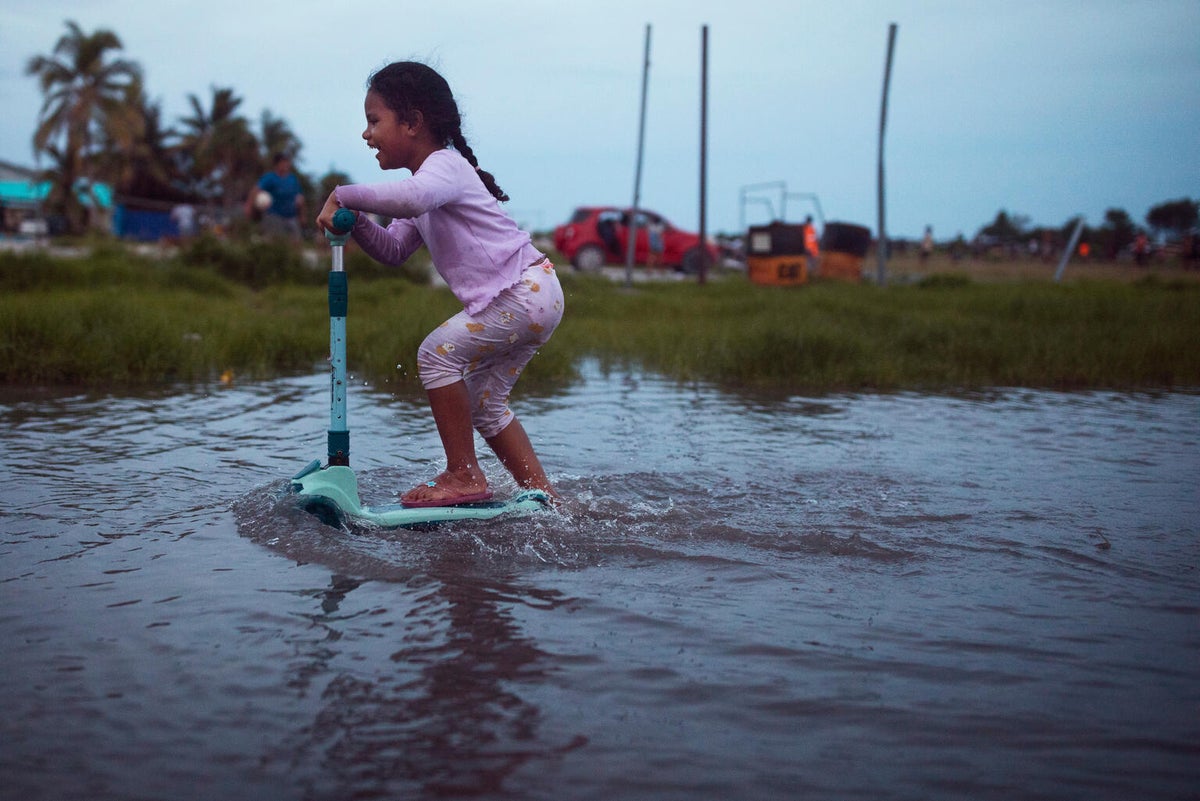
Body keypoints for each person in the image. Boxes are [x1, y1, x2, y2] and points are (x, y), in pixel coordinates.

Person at [316, 61, 564, 508]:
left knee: (436, 354)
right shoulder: (426, 189)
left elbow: (411, 200)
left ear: (412, 122)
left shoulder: (444, 168)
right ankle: (544, 498)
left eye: (375, 121)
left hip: (523, 292)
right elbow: (393, 249)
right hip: (536, 294)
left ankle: (463, 474)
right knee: (486, 406)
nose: (366, 134)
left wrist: (342, 194)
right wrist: (355, 225)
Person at [249, 152, 305, 239]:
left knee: (295, 239)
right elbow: (255, 190)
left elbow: (299, 198)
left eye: (286, 162)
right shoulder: (270, 178)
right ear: (277, 164)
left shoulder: (292, 179)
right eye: (283, 162)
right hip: (274, 216)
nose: (285, 165)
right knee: (275, 240)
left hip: (291, 216)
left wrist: (301, 215)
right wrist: (251, 206)